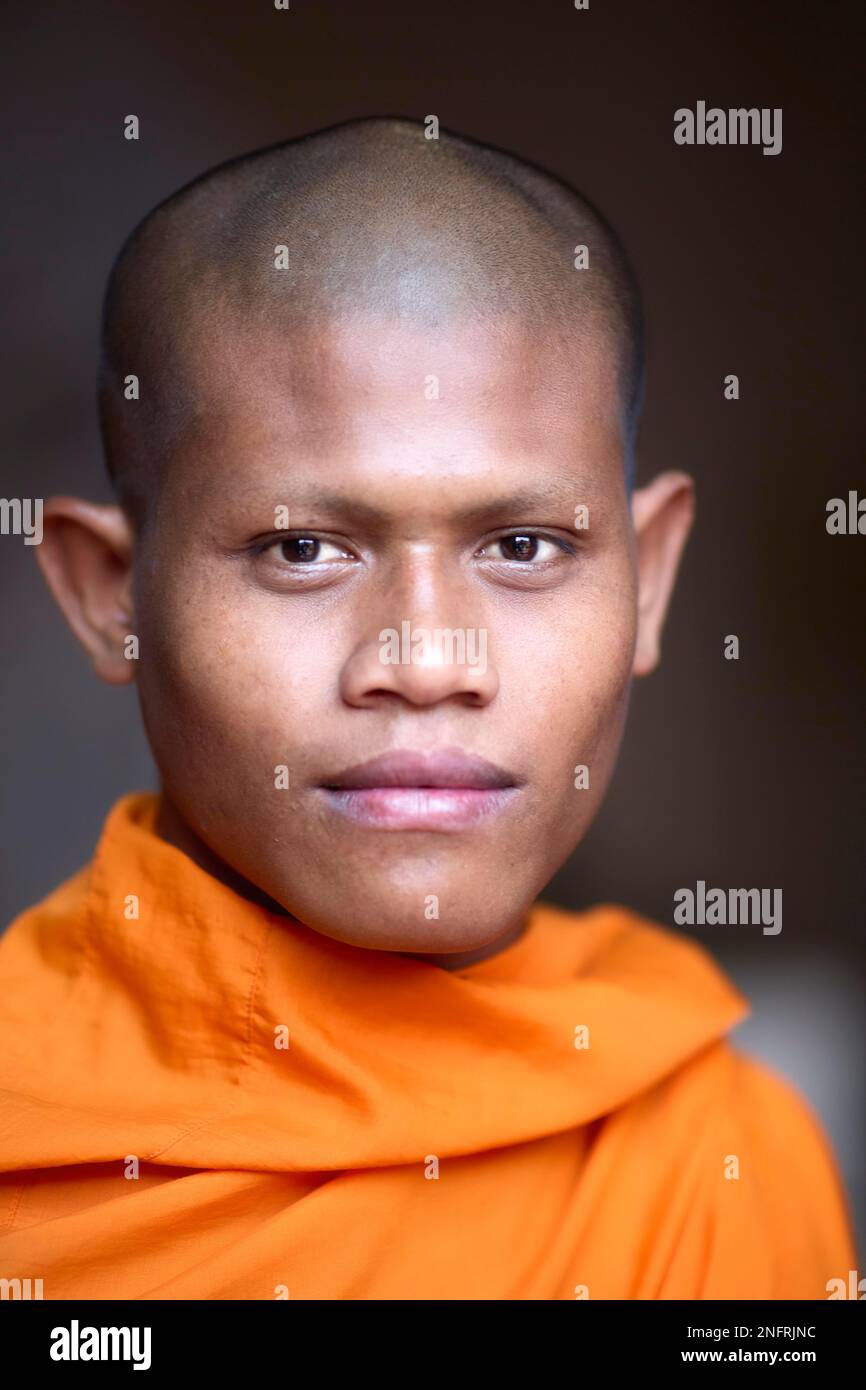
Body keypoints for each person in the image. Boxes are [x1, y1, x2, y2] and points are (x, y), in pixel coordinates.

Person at [0, 117, 856, 1299]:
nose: (425, 656)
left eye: (522, 544)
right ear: (109, 597)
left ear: (649, 580)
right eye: (301, 548)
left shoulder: (710, 1155)